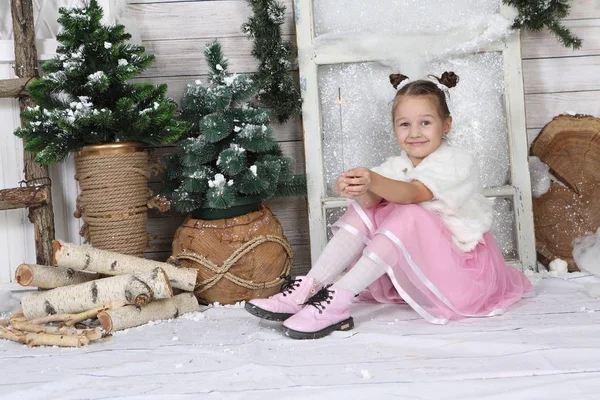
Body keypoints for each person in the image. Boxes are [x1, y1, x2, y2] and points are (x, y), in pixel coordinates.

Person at [245, 71, 534, 339]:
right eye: (404, 124)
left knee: (408, 212)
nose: (415, 132)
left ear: (446, 125)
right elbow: (374, 201)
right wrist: (358, 188)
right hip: (423, 265)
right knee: (366, 207)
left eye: (425, 122)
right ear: (395, 129)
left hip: (461, 274)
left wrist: (373, 180)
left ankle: (339, 298)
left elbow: (411, 194)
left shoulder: (456, 161)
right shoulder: (398, 165)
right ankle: (310, 287)